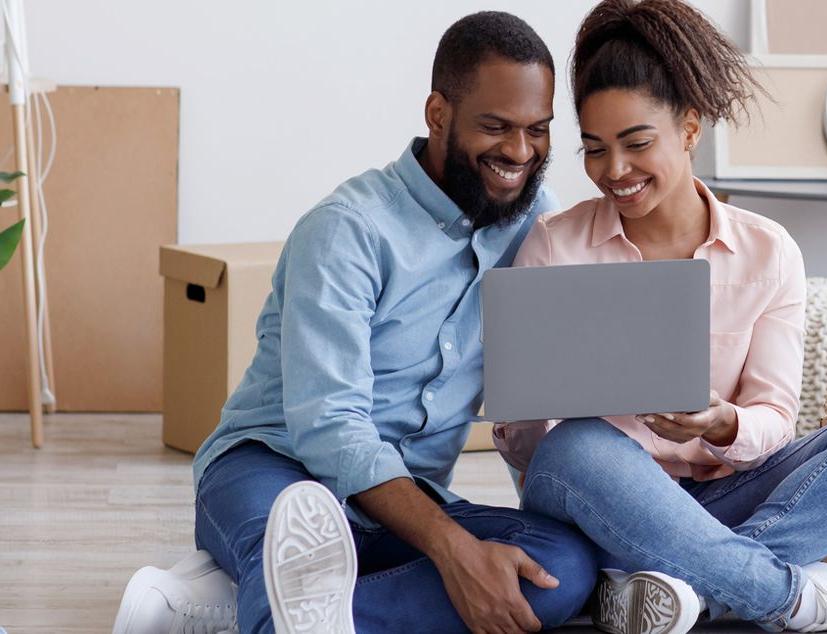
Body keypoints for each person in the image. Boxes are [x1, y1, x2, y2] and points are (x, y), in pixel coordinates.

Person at [114, 12, 598, 634]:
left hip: (405, 503)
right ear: (438, 114)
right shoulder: (348, 229)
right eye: (495, 128)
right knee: (293, 554)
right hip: (275, 468)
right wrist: (453, 553)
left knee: (561, 568)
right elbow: (328, 426)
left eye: (537, 130)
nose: (520, 152)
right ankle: (281, 595)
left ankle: (244, 606)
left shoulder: (536, 225)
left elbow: (544, 386)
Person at [494, 1, 827, 633]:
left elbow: (774, 418)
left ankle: (682, 589)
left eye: (637, 143)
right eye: (595, 150)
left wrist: (719, 422)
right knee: (579, 445)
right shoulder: (554, 244)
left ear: (689, 129)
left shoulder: (768, 251)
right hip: (597, 503)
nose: (614, 172)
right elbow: (529, 450)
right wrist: (520, 400)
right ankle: (791, 598)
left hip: (722, 500)